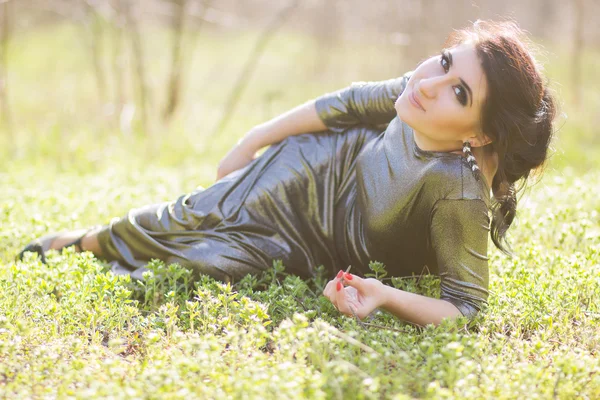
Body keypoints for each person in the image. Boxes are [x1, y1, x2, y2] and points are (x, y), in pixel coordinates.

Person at [18, 19, 556, 327]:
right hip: (312, 168)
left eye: (459, 93)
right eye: (444, 62)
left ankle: (122, 270)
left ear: (480, 135)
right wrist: (252, 140)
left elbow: (467, 308)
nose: (431, 84)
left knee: (214, 264)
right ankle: (88, 243)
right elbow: (339, 106)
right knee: (195, 212)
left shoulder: (457, 191)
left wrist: (385, 295)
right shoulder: (411, 92)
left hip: (320, 245)